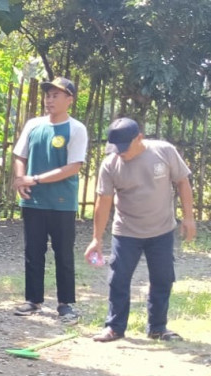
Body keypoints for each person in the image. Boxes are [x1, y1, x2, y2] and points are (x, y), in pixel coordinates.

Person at [87, 118, 197, 343]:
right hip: (126, 231)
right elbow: (103, 201)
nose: (120, 153)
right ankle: (114, 327)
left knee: (163, 278)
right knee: (118, 278)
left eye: (124, 148)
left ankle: (157, 327)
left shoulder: (164, 152)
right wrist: (96, 238)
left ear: (140, 137)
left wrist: (189, 218)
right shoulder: (110, 164)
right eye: (116, 149)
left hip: (162, 229)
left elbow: (183, 182)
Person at [11, 76, 88, 322]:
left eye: (56, 95)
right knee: (33, 251)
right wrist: (21, 178)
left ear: (69, 100)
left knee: (63, 252)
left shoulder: (76, 129)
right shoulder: (33, 124)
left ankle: (65, 303)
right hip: (33, 200)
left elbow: (73, 167)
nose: (49, 99)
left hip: (62, 202)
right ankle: (33, 300)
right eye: (48, 94)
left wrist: (34, 180)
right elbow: (19, 155)